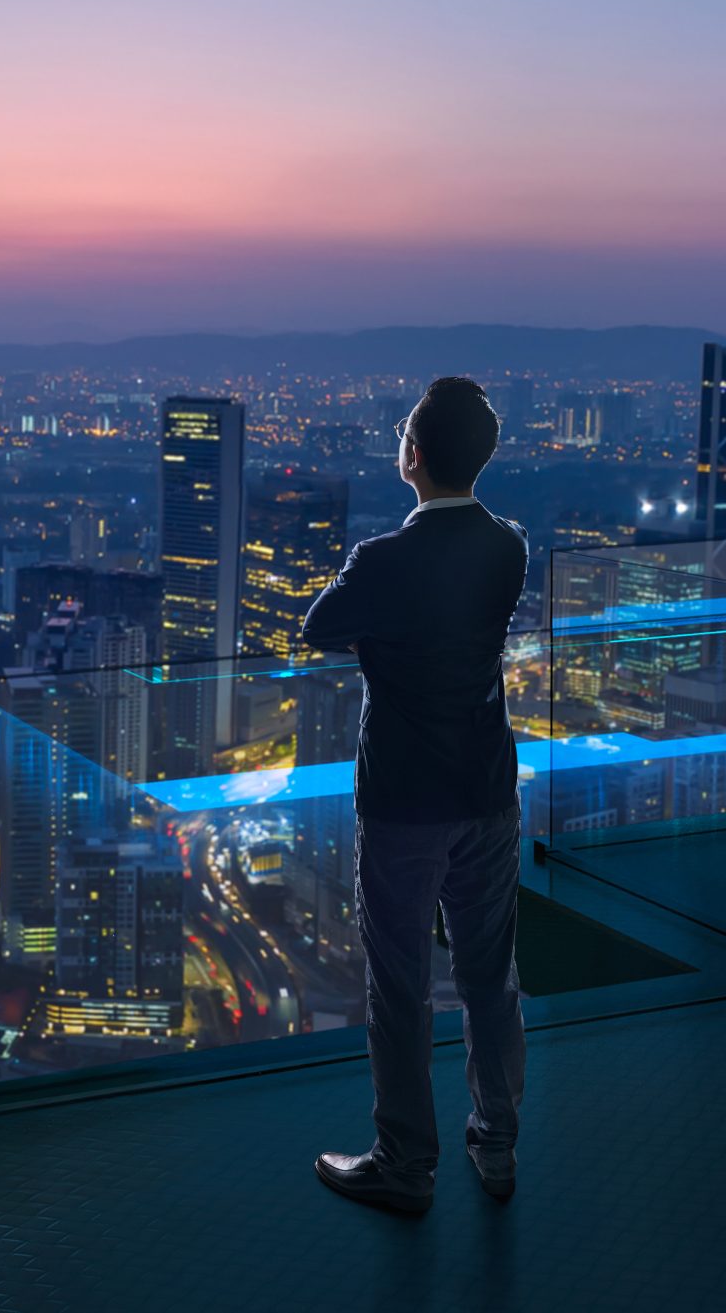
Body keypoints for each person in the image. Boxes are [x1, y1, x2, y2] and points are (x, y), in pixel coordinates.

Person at [301, 375, 528, 1214]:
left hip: (403, 802)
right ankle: (496, 1142)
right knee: (487, 973)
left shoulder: (385, 560)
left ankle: (405, 1160)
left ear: (414, 455)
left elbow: (320, 625)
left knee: (399, 982)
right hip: (487, 791)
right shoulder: (510, 546)